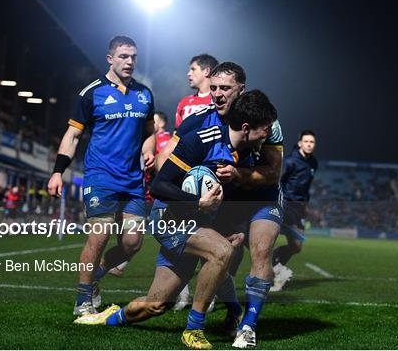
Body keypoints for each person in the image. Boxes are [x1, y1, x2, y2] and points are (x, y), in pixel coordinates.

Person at [74, 90, 278, 350]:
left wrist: (234, 228)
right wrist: (197, 203)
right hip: (168, 218)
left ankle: (107, 319)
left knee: (156, 304)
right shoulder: (201, 141)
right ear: (247, 128)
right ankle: (193, 329)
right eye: (265, 128)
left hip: (196, 225)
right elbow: (159, 186)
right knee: (221, 252)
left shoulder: (247, 155)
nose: (268, 134)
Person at [157, 64, 285, 348]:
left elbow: (273, 173)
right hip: (224, 203)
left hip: (262, 197)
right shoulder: (197, 122)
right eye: (213, 88)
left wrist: (238, 175)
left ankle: (248, 327)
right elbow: (167, 161)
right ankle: (233, 312)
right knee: (222, 258)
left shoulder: (267, 122)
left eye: (224, 88)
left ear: (242, 88)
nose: (216, 94)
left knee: (261, 251)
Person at [47, 35, 156, 316]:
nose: (129, 61)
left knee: (132, 244)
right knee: (100, 235)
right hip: (100, 175)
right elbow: (72, 136)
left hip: (132, 180)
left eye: (133, 56)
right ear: (110, 59)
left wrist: (148, 151)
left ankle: (95, 277)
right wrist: (58, 172)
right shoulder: (91, 93)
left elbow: (148, 134)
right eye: (123, 56)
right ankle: (83, 300)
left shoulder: (144, 94)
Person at [107, 111, 171, 278]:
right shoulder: (148, 139)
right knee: (139, 234)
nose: (150, 123)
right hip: (146, 191)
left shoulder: (166, 140)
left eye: (154, 121)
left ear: (162, 124)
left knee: (167, 236)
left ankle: (119, 264)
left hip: (160, 194)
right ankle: (120, 263)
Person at [271, 130, 318, 291]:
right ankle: (274, 270)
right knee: (269, 237)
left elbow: (306, 187)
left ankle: (274, 260)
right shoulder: (290, 161)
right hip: (286, 205)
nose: (309, 144)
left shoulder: (313, 163)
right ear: (300, 143)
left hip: (298, 208)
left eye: (312, 142)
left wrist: (305, 206)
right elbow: (279, 182)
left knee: (297, 246)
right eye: (306, 141)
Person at [174, 54, 218, 130]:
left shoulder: (219, 101)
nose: (189, 73)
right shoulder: (184, 102)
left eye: (193, 69)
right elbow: (176, 134)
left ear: (207, 71)